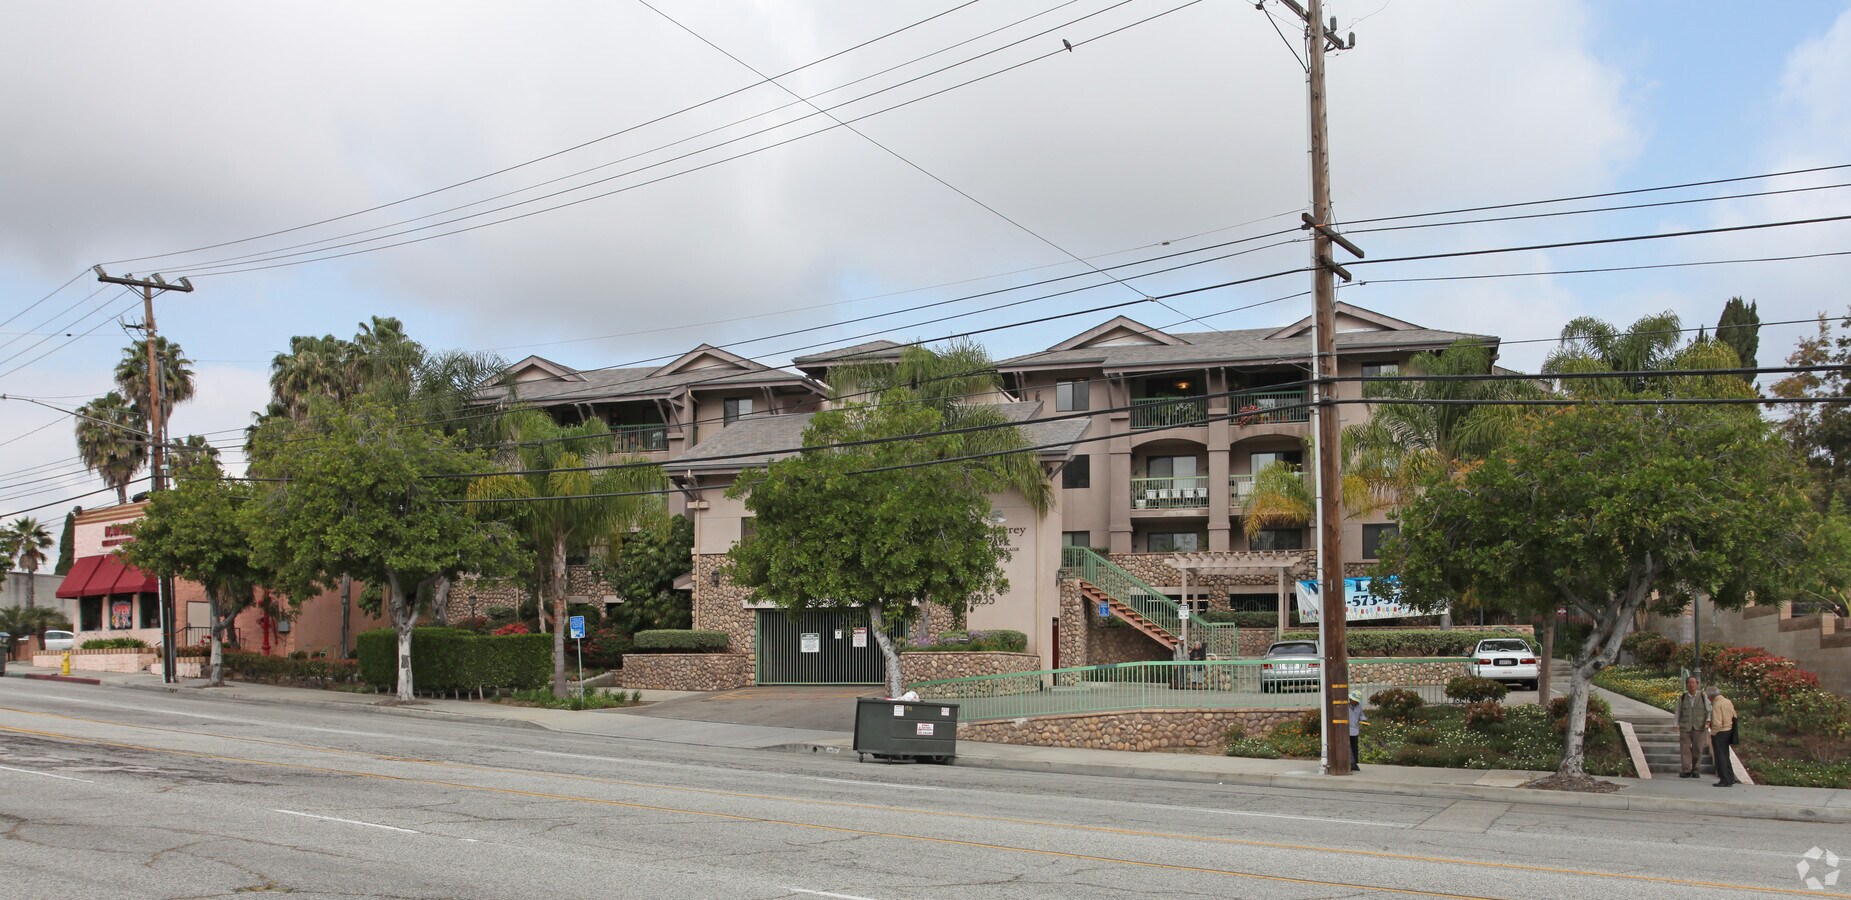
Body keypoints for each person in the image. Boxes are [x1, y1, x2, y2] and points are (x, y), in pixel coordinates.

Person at [1675, 676, 1709, 778]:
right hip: (1685, 727)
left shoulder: (1702, 696)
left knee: (1697, 749)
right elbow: (1678, 711)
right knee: (1685, 749)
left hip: (1699, 726)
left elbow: (1709, 709)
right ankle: (1686, 770)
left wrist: (1708, 720)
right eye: (1689, 683)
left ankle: (1695, 769)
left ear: (1697, 684)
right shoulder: (1683, 697)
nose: (1691, 685)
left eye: (1693, 683)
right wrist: (1675, 724)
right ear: (1686, 685)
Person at [1707, 685, 1738, 787]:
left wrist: (1712, 733)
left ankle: (1724, 779)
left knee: (1720, 757)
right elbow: (1734, 715)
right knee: (1725, 755)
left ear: (1710, 697)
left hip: (1720, 732)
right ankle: (1730, 777)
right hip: (1728, 730)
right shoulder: (1727, 701)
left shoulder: (1717, 704)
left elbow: (1717, 723)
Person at [1348, 693, 1367, 772]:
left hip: (1355, 730)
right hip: (1347, 730)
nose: (1355, 702)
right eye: (1354, 701)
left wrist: (1364, 720)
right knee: (1348, 748)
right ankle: (1351, 764)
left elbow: (1361, 715)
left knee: (1354, 747)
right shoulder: (1346, 706)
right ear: (1351, 700)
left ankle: (1354, 763)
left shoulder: (1359, 706)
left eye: (1356, 701)